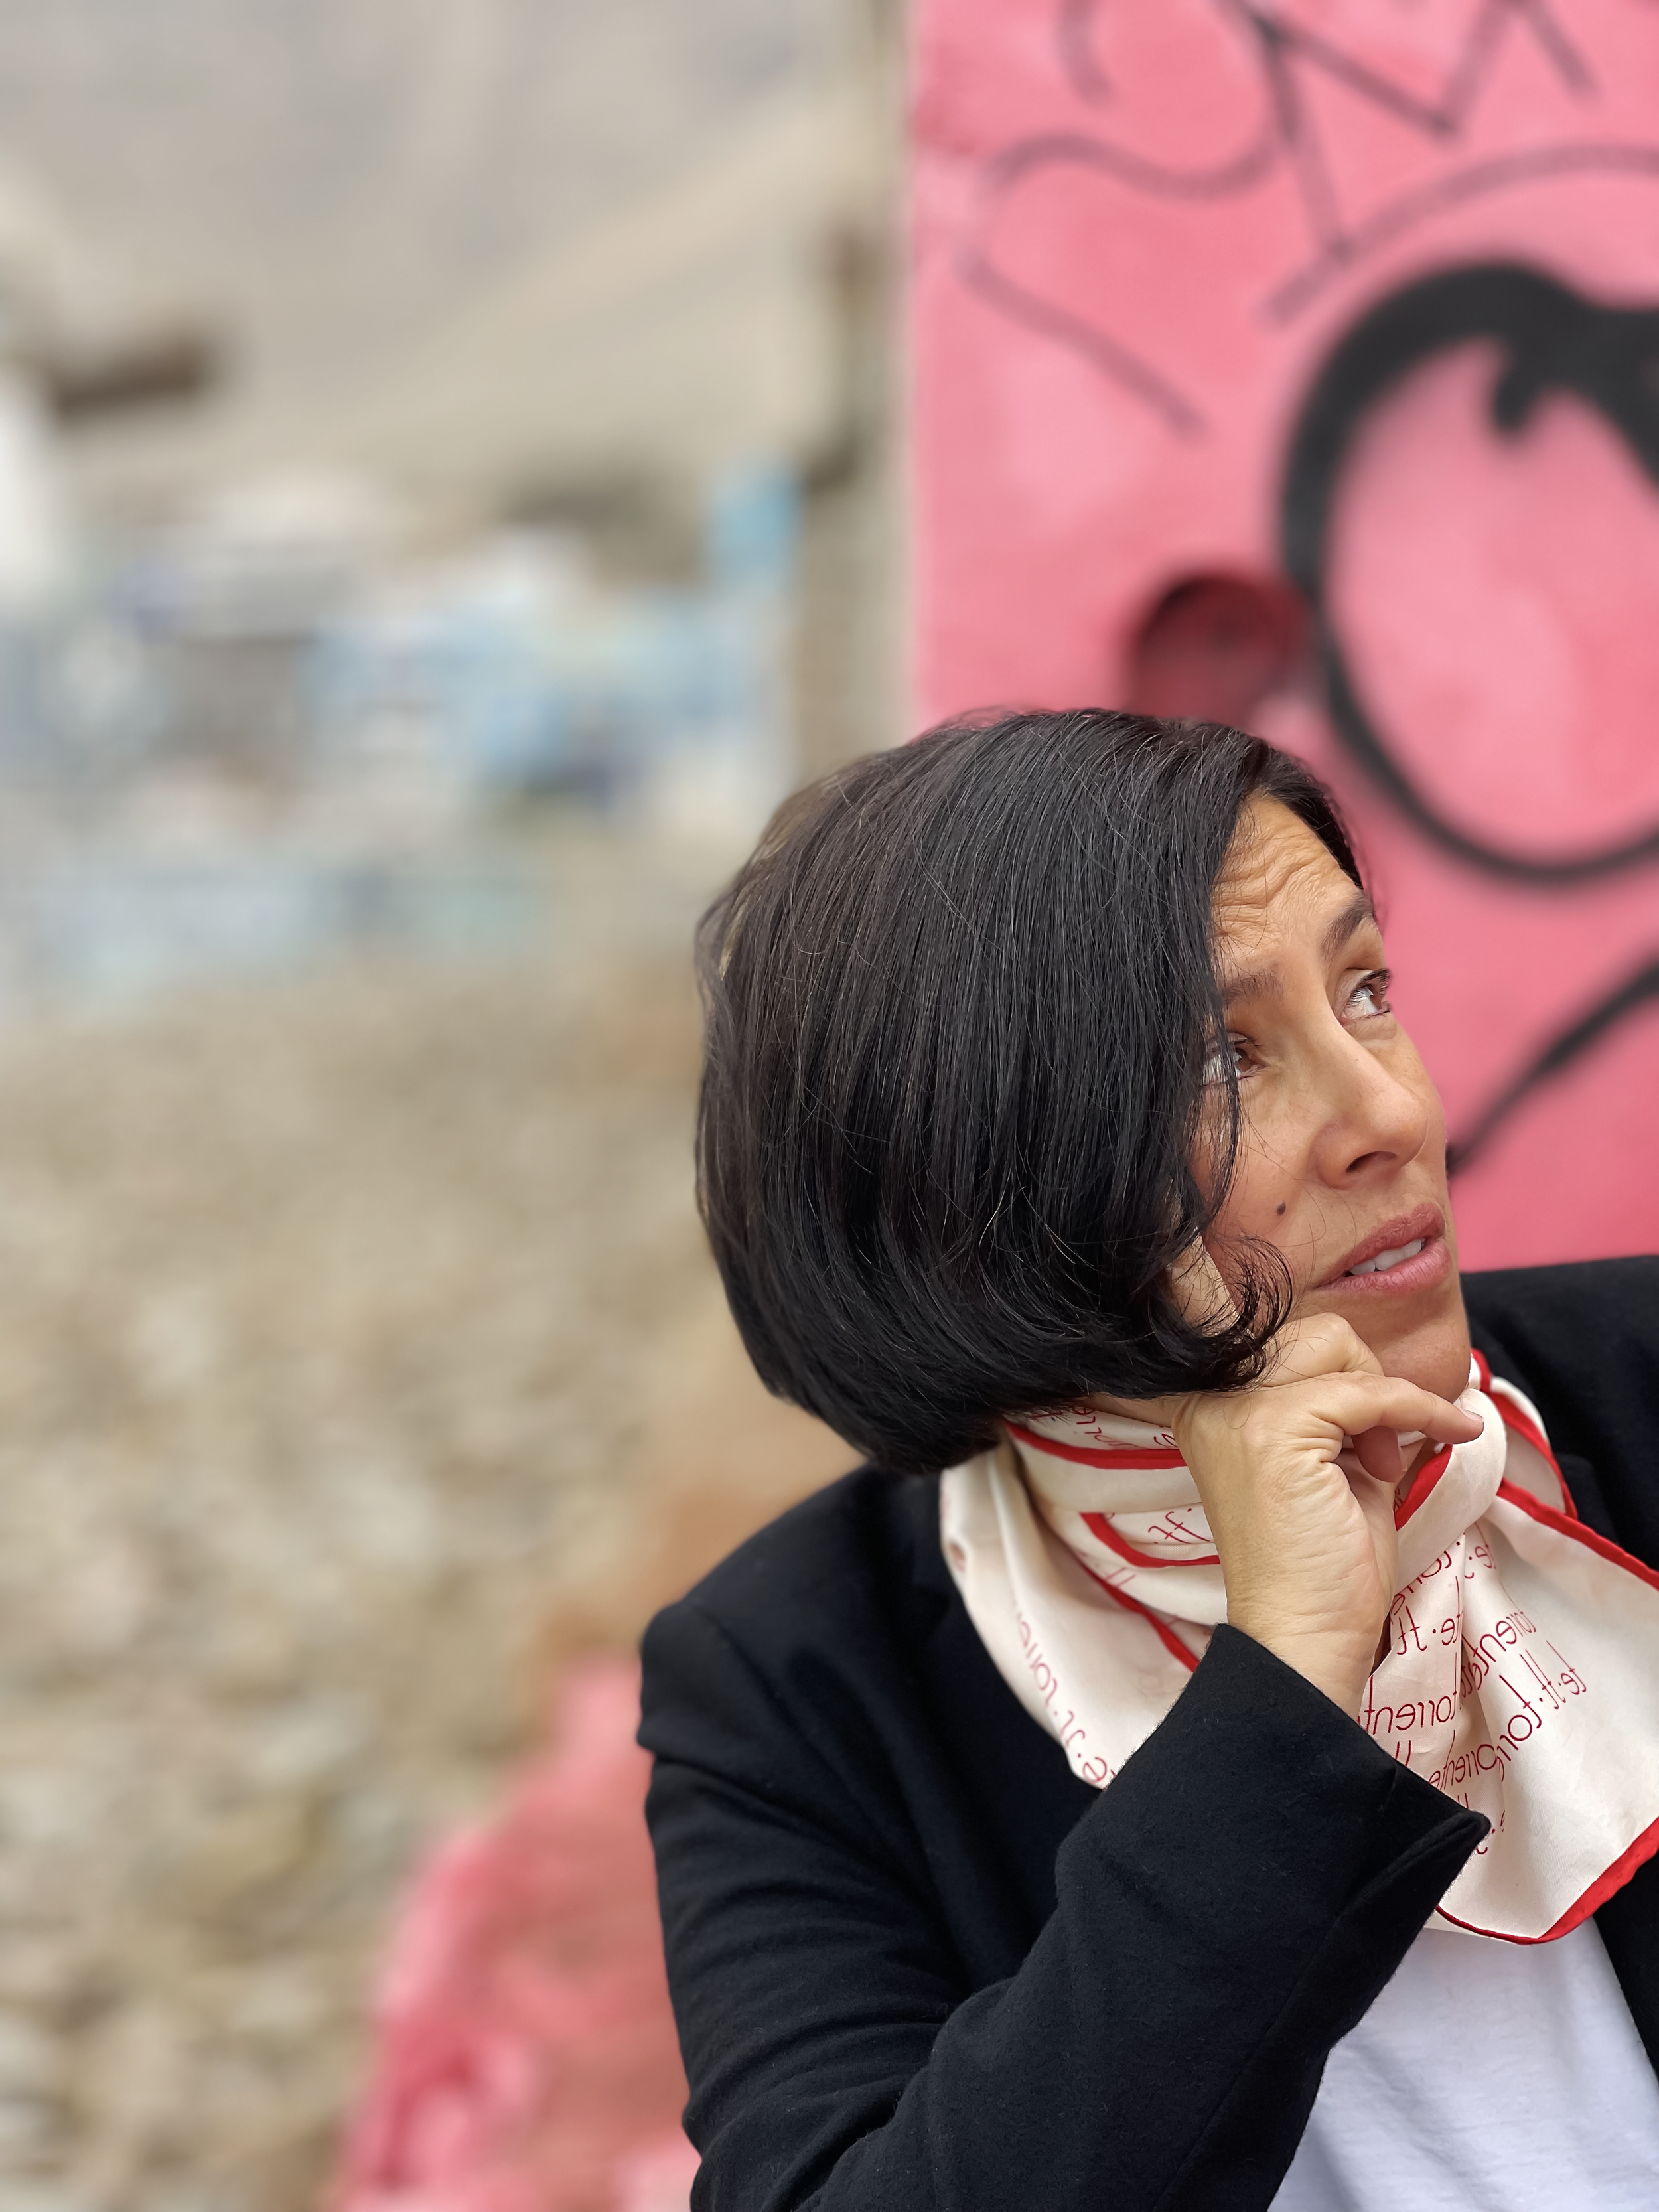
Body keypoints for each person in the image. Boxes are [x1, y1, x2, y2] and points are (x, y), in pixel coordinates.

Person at [638, 710, 1659, 2211]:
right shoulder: (797, 1674)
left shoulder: (1634, 1394)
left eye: (1364, 988)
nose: (1388, 1114)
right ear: (969, 1181)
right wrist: (1285, 1677)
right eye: (1215, 1061)